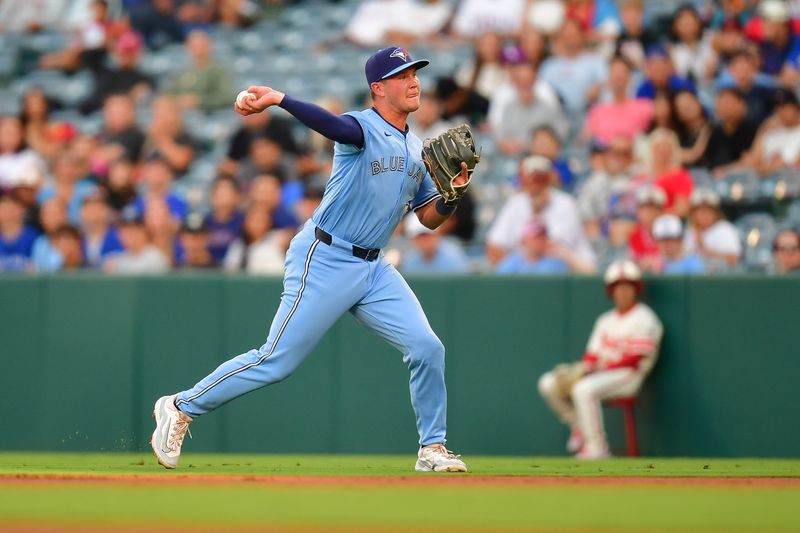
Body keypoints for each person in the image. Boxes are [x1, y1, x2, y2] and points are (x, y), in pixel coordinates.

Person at [151, 46, 471, 473]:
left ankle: (432, 448)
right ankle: (180, 405)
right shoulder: (362, 127)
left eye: (414, 73)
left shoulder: (416, 149)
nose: (413, 81)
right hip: (326, 256)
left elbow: (429, 218)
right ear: (378, 88)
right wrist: (280, 99)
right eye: (402, 76)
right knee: (276, 360)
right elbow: (331, 124)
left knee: (427, 346)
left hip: (374, 268)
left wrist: (452, 195)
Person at [538, 259, 663, 458]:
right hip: (602, 373)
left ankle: (597, 448)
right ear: (611, 291)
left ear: (635, 288)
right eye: (618, 287)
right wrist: (583, 368)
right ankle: (578, 425)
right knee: (548, 383)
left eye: (627, 286)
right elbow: (592, 354)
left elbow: (636, 358)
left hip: (629, 375)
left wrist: (598, 369)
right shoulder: (605, 320)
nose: (622, 291)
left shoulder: (645, 317)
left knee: (583, 388)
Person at [486, 155, 595, 267]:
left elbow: (546, 248)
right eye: (532, 178)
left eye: (541, 178)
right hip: (528, 275)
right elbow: (494, 246)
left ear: (550, 179)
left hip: (568, 274)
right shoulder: (516, 203)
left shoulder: (566, 204)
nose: (536, 183)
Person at [496, 219, 591, 274]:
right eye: (534, 238)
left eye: (541, 238)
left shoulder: (555, 263)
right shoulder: (511, 262)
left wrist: (563, 252)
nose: (538, 242)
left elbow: (589, 272)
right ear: (524, 240)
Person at [683, 188, 741, 269]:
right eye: (700, 210)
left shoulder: (725, 229)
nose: (704, 214)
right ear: (693, 214)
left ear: (716, 213)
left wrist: (704, 247)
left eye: (708, 210)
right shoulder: (689, 231)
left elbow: (734, 259)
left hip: (719, 278)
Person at [400, 214, 470, 275]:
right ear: (413, 240)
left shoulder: (454, 256)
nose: (425, 242)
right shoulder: (410, 260)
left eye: (427, 236)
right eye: (420, 237)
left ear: (437, 235)